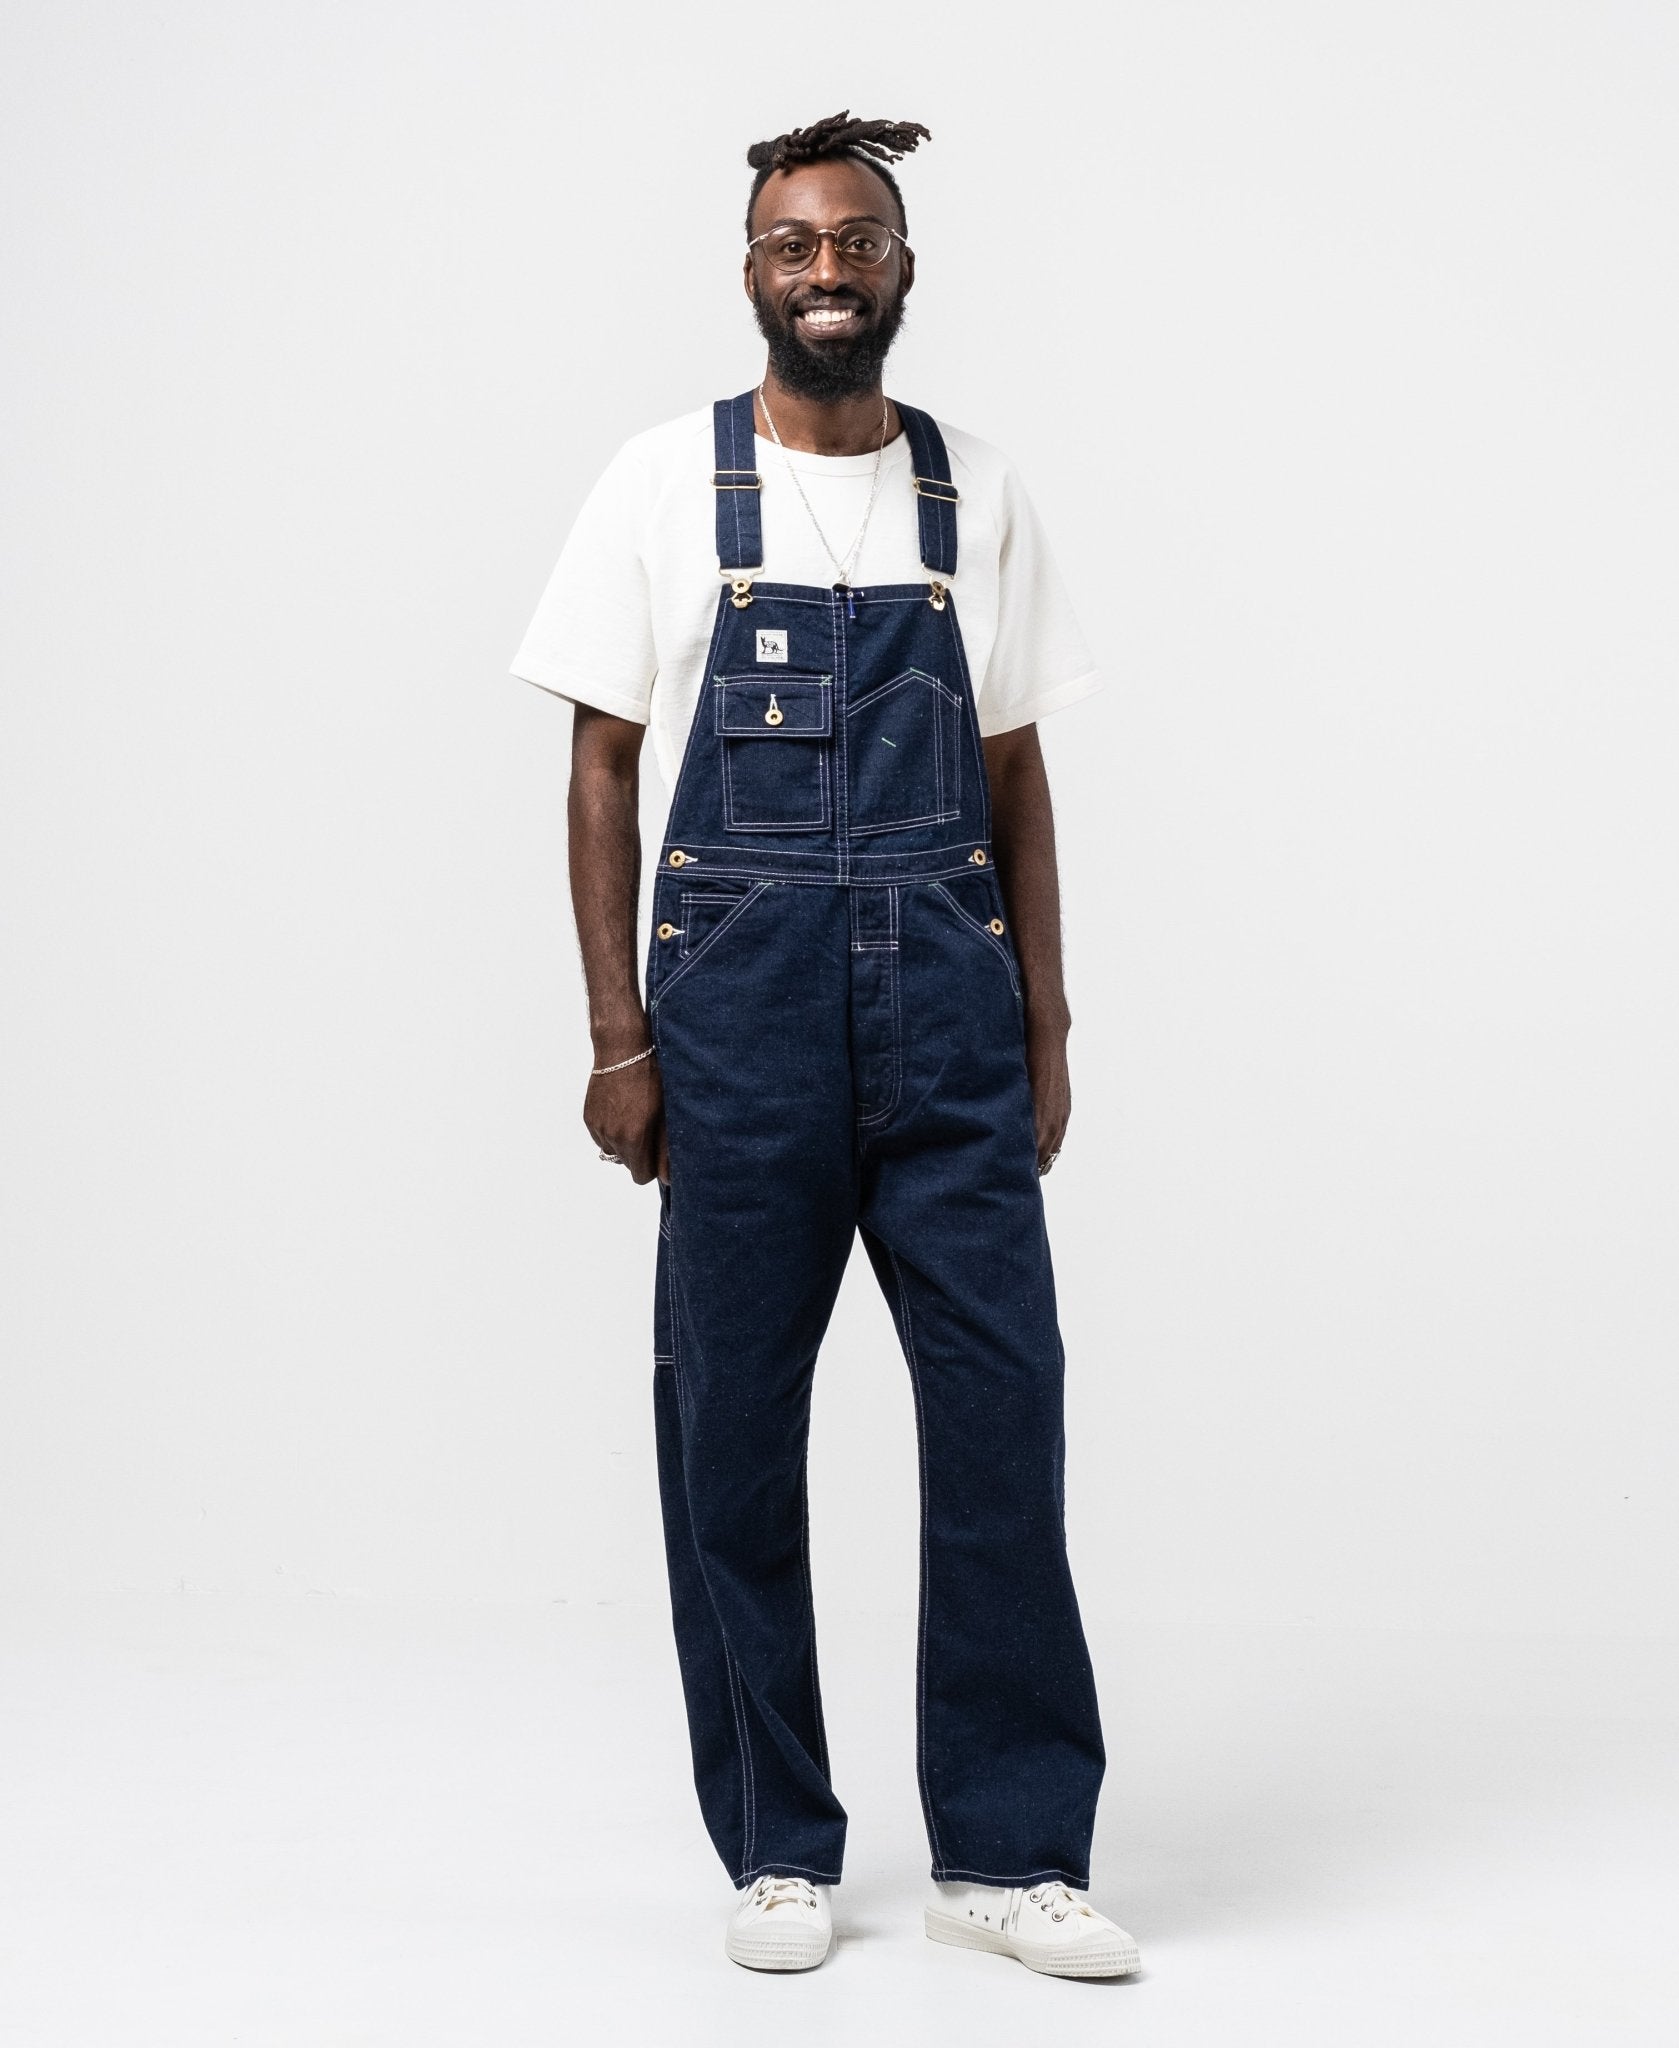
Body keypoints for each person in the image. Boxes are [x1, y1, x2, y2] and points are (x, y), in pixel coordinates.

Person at [511, 111, 1140, 1980]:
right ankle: (779, 1847)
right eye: (794, 243)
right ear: (752, 272)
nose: (827, 270)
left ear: (904, 266)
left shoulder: (977, 492)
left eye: (857, 239)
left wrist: (1043, 1019)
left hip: (950, 1017)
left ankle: (1010, 1857)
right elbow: (603, 764)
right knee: (731, 1435)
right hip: (739, 1025)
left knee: (1004, 1420)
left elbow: (1014, 773)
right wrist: (619, 1036)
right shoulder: (661, 482)